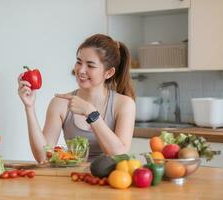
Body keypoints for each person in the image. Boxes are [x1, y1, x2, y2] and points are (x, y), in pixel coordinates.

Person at [18, 34, 135, 163]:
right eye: (79, 62)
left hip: (110, 180)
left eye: (90, 65)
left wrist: (90, 113)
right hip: (73, 178)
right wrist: (29, 107)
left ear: (109, 73)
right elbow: (43, 157)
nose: (81, 70)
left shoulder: (124, 104)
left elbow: (119, 154)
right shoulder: (60, 103)